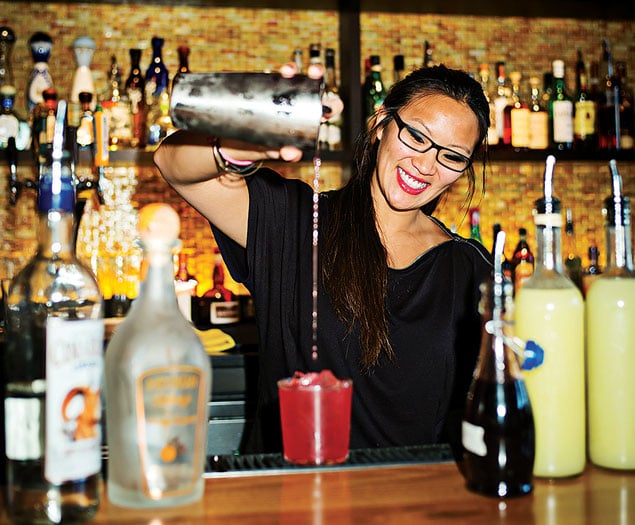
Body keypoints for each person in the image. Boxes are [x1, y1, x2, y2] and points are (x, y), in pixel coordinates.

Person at [154, 63, 493, 455]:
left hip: (412, 499)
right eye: (416, 136)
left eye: (452, 156)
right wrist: (239, 145)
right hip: (294, 495)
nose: (426, 165)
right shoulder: (296, 222)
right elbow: (172, 164)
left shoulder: (470, 269)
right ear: (382, 122)